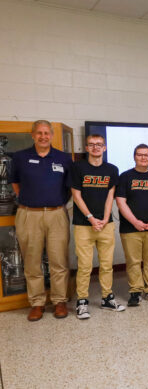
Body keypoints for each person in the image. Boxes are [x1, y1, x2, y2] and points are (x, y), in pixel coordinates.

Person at [10, 120, 72, 321]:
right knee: (32, 261)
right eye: (39, 133)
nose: (43, 136)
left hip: (56, 214)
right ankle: (37, 303)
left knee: (58, 260)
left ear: (52, 135)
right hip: (29, 215)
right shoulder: (20, 157)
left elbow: (69, 187)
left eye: (46, 133)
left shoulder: (63, 158)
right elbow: (15, 184)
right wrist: (32, 202)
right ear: (32, 135)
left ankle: (59, 300)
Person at [71, 134, 124, 319]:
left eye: (99, 144)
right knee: (85, 266)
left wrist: (106, 217)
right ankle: (82, 301)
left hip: (105, 225)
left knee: (107, 265)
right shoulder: (78, 168)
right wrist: (91, 218)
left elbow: (111, 196)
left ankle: (107, 298)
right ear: (86, 148)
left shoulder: (112, 169)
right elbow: (76, 196)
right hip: (83, 225)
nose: (95, 148)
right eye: (92, 145)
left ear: (105, 148)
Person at [115, 144, 148, 307]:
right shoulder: (125, 177)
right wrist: (135, 222)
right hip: (131, 228)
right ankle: (135, 291)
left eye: (147, 155)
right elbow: (121, 202)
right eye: (140, 155)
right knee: (133, 261)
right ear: (134, 156)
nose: (143, 157)